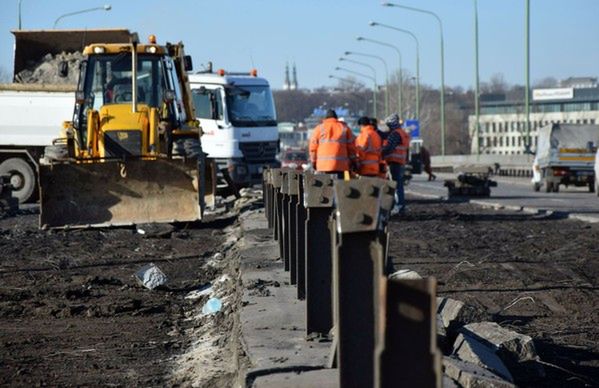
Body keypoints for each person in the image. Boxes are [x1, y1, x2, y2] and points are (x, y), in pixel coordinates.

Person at [309, 109, 357, 177]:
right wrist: (353, 162)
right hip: (340, 166)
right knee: (339, 186)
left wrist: (313, 162)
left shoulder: (319, 128)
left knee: (325, 187)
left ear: (325, 118)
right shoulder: (345, 128)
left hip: (323, 166)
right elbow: (351, 148)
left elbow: (313, 148)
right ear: (336, 118)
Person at [383, 113, 411, 215]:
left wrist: (378, 153)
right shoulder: (403, 133)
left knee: (395, 186)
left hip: (394, 162)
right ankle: (400, 206)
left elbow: (389, 148)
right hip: (400, 162)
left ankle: (398, 206)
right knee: (399, 185)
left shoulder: (395, 134)